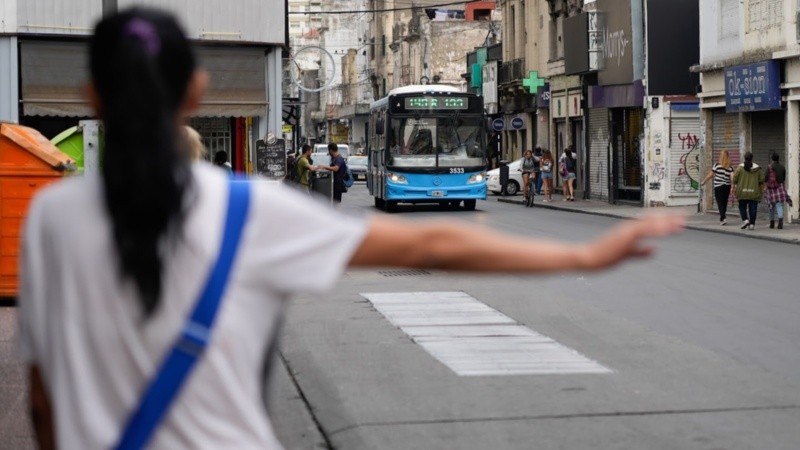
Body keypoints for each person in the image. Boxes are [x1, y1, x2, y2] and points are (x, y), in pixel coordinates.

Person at [16, 8, 685, 450]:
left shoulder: (49, 216)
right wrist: (584, 257)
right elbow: (430, 244)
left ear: (91, 96)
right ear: (198, 91)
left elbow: (42, 402)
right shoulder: (249, 210)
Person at [732, 151, 765, 230]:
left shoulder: (739, 168)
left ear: (744, 157)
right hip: (754, 192)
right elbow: (762, 180)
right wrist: (762, 191)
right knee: (753, 209)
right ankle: (752, 224)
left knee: (742, 207)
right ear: (752, 158)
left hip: (742, 192)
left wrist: (733, 188)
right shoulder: (758, 169)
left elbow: (734, 179)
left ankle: (745, 220)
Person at [700, 149, 733, 225]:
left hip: (718, 186)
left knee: (720, 202)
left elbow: (711, 175)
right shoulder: (730, 167)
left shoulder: (717, 165)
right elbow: (732, 177)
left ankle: (723, 218)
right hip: (727, 186)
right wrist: (732, 186)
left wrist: (704, 181)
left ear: (721, 156)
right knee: (724, 202)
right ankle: (722, 217)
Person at [764, 152, 791, 229]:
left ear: (772, 159)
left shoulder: (769, 167)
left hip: (771, 189)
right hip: (780, 187)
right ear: (778, 158)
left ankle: (772, 223)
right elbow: (784, 178)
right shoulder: (782, 167)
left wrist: (766, 186)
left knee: (771, 206)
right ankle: (780, 223)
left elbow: (765, 177)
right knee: (779, 205)